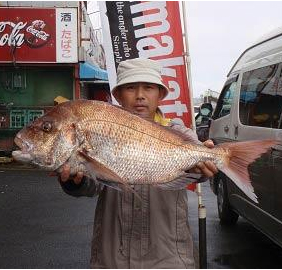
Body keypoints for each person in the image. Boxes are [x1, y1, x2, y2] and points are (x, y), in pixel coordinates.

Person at [58, 58, 218, 268]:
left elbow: (196, 172)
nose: (140, 95)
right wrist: (75, 182)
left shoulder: (180, 133)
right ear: (118, 96)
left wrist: (203, 169)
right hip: (113, 259)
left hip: (168, 257)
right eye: (131, 88)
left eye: (149, 88)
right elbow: (93, 184)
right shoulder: (103, 130)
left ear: (160, 95)